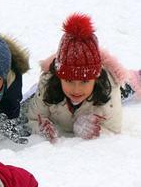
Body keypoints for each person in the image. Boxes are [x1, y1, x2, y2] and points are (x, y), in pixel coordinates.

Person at [24, 13, 141, 142]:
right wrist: (39, 127)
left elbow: (114, 130)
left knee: (127, 87)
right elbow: (31, 119)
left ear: (95, 77)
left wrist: (91, 130)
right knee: (32, 97)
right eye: (69, 80)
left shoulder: (109, 89)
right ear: (59, 77)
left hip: (101, 91)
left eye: (84, 81)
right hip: (56, 88)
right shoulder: (47, 85)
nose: (76, 89)